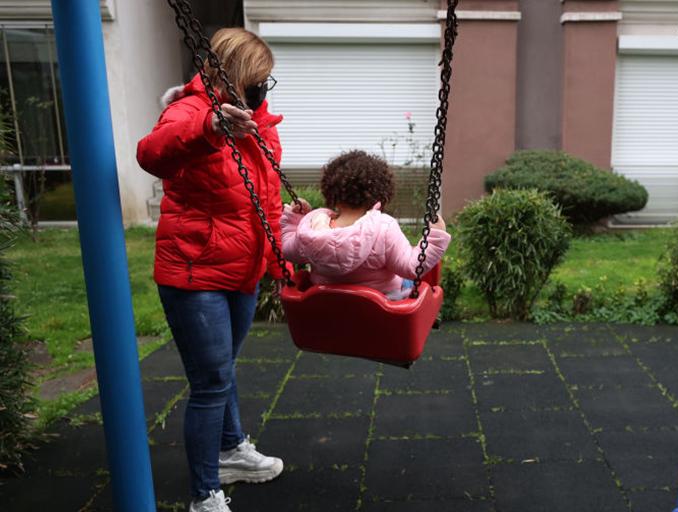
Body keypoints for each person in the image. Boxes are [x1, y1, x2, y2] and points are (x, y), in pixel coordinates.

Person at [136, 27, 285, 512]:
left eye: (268, 81)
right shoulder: (190, 111)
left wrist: (279, 262)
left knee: (222, 371)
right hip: (194, 270)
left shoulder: (260, 121)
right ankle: (204, 494)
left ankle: (231, 450)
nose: (264, 89)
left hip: (241, 269)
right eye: (258, 79)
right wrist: (208, 129)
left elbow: (268, 199)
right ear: (235, 74)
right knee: (211, 383)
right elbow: (151, 152)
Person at [281, 150, 449, 298]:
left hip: (328, 310)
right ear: (381, 195)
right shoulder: (384, 227)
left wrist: (294, 220)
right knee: (408, 282)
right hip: (382, 312)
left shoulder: (312, 228)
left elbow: (289, 251)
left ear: (331, 192)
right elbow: (412, 267)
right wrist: (435, 239)